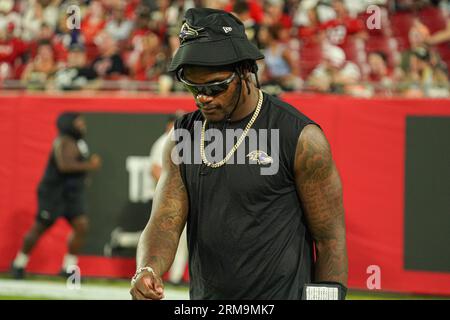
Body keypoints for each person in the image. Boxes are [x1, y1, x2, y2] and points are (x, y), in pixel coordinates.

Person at [130, 8, 348, 300]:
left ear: (246, 71)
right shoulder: (182, 138)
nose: (203, 97)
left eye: (216, 86)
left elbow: (330, 240)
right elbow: (164, 222)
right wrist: (147, 269)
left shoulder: (300, 138)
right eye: (193, 87)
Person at [11, 112, 102, 279]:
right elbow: (64, 165)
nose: (82, 125)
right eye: (78, 122)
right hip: (54, 193)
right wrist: (90, 166)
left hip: (71, 194)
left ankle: (68, 268)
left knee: (81, 226)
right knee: (40, 227)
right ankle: (19, 264)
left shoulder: (78, 142)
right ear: (69, 124)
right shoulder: (63, 141)